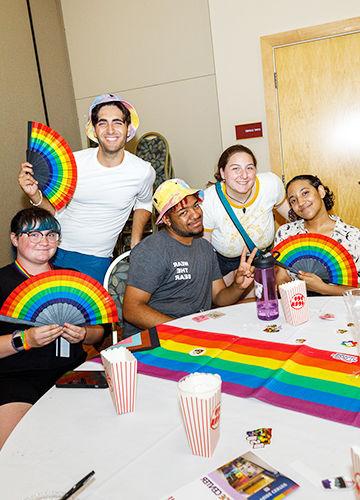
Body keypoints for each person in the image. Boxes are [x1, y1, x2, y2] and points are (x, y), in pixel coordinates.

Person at [18, 94, 156, 283]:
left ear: (128, 128)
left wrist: (135, 241)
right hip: (53, 250)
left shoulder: (142, 171)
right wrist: (35, 196)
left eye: (117, 122)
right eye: (102, 123)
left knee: (90, 312)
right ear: (94, 129)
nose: (110, 129)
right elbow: (54, 212)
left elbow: (145, 202)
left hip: (97, 260)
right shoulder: (72, 162)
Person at [0, 208, 107, 449]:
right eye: (34, 235)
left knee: (96, 441)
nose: (44, 241)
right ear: (15, 239)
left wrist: (84, 333)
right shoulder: (2, 282)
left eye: (51, 234)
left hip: (72, 371)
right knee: (15, 451)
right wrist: (24, 340)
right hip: (17, 379)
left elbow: (100, 331)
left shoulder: (72, 277)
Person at [122, 178, 257, 337]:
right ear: (166, 220)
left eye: (195, 205)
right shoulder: (151, 250)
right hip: (155, 338)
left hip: (195, 332)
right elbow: (132, 310)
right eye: (183, 212)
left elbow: (219, 298)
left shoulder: (205, 247)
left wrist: (238, 286)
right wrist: (182, 330)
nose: (195, 215)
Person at [202, 145, 289, 276]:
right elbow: (204, 251)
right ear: (222, 173)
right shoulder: (208, 200)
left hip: (265, 260)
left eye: (249, 168)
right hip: (228, 266)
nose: (244, 175)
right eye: (235, 168)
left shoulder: (271, 185)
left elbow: (293, 218)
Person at [275, 174, 360, 295]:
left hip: (340, 309)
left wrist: (322, 288)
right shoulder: (285, 233)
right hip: (297, 307)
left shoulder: (353, 236)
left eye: (305, 193)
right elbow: (281, 276)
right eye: (293, 200)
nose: (300, 202)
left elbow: (358, 291)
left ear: (320, 191)